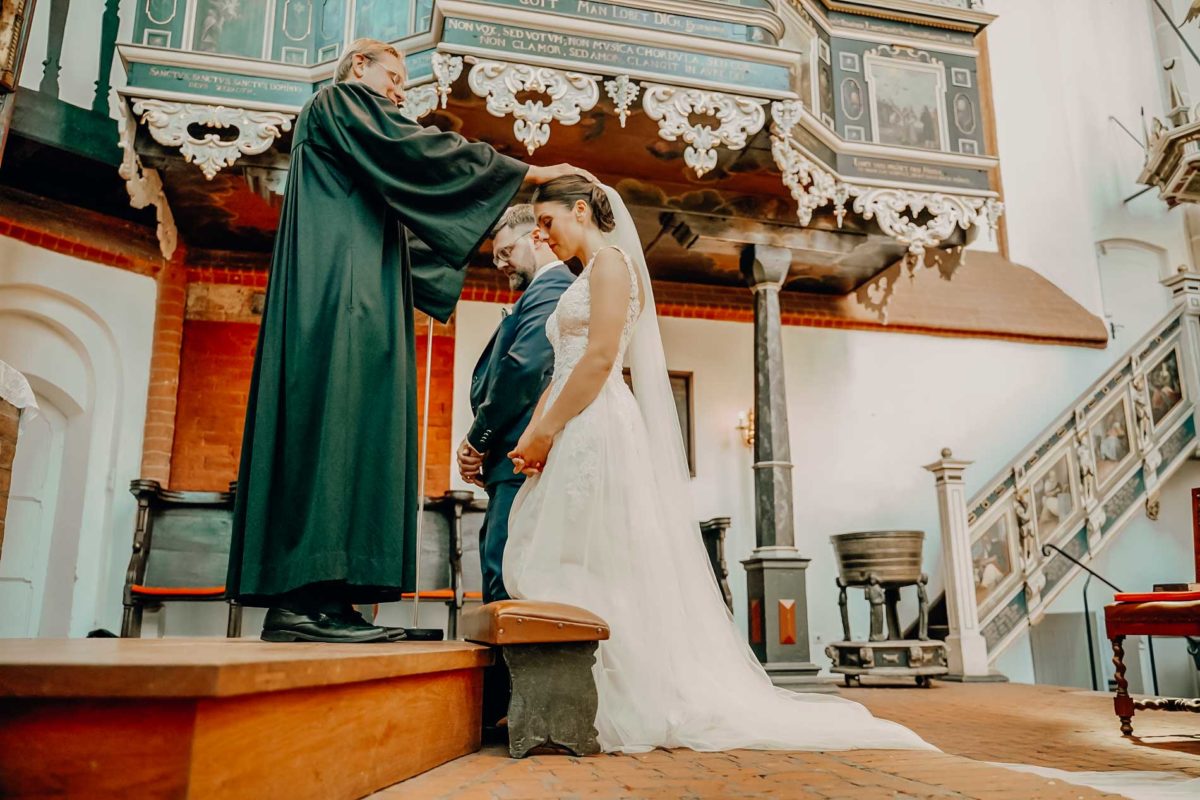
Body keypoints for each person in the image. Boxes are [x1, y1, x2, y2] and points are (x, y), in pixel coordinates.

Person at [502, 176, 930, 753]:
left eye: (548, 221)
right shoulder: (586, 271)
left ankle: (621, 698)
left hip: (594, 424)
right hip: (573, 423)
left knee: (595, 558)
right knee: (570, 557)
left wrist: (543, 429)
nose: (541, 235)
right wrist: (542, 430)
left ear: (581, 211)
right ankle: (584, 694)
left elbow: (601, 357)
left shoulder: (610, 265)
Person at [226, 37, 590, 644]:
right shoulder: (336, 101)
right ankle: (299, 602)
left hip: (360, 290)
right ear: (358, 68)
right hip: (337, 296)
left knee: (362, 427)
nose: (400, 91)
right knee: (333, 422)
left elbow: (406, 209)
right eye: (393, 76)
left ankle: (336, 599)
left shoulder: (357, 156)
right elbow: (415, 148)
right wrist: (525, 172)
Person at [457, 204, 574, 604]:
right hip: (511, 459)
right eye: (496, 258)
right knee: (501, 569)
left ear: (537, 237)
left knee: (505, 577)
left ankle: (508, 670)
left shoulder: (552, 287)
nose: (501, 264)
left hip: (520, 457)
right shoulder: (543, 291)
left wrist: (478, 440)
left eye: (506, 252)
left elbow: (524, 368)